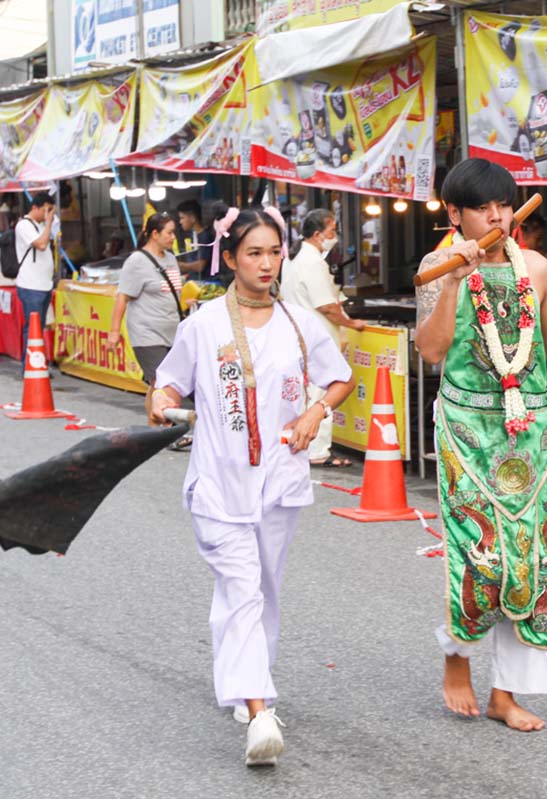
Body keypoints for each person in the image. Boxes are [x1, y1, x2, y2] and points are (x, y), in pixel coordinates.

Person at [149, 206, 354, 766]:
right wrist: (162, 401)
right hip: (219, 481)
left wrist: (314, 413)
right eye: (253, 253)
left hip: (280, 481)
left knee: (262, 588)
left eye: (273, 252)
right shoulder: (205, 324)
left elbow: (340, 376)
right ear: (231, 259)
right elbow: (168, 383)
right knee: (241, 588)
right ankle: (260, 712)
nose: (266, 263)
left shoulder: (299, 322)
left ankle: (246, 685)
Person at [415, 158, 547, 733]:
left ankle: (506, 692)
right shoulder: (437, 265)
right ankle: (457, 657)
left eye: (503, 204)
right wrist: (453, 279)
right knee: (482, 551)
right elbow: (431, 349)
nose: (497, 216)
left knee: (535, 557)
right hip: (467, 429)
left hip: (531, 429)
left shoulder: (539, 269)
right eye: (481, 207)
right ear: (454, 214)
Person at [279, 209, 365, 468]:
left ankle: (305, 442)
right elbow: (326, 306)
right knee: (321, 392)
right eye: (331, 231)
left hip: (298, 333)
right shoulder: (311, 261)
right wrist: (351, 323)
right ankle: (317, 450)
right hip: (316, 336)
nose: (334, 236)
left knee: (308, 391)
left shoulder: (292, 259)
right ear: (317, 235)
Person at [108, 212, 186, 391]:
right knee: (161, 383)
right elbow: (123, 297)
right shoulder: (137, 261)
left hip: (172, 332)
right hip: (147, 334)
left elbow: (170, 292)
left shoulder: (171, 258)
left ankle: (154, 420)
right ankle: (162, 419)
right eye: (170, 233)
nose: (173, 237)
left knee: (159, 385)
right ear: (155, 234)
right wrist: (114, 332)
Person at [14, 192, 57, 354]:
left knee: (40, 326)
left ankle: (37, 363)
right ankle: (30, 366)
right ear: (35, 207)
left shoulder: (40, 225)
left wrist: (47, 224)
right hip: (31, 286)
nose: (49, 214)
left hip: (43, 285)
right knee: (33, 327)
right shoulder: (24, 225)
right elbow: (41, 244)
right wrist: (48, 224)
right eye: (47, 210)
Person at [174, 200, 206, 274]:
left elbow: (200, 266)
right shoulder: (194, 235)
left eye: (182, 218)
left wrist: (179, 265)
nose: (180, 222)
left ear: (192, 218)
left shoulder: (205, 237)